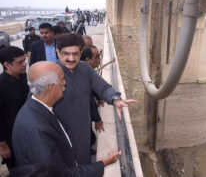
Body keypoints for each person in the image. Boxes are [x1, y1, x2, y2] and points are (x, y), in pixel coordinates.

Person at [12, 61, 121, 177]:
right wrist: (103, 163)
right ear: (52, 87)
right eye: (62, 79)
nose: (65, 83)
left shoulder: (37, 108)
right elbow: (59, 174)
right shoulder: (37, 130)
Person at [54, 33, 135, 164]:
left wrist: (115, 99)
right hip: (61, 138)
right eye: (66, 54)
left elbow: (103, 88)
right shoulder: (49, 73)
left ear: (81, 52)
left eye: (75, 54)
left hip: (84, 135)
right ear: (58, 52)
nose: (71, 58)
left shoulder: (85, 69)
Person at [0, 46, 29, 169]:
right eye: (20, 62)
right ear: (7, 64)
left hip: (28, 133)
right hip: (11, 139)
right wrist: (2, 145)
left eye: (25, 60)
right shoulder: (2, 85)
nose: (25, 64)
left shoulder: (23, 77)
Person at [80, 45, 104, 153]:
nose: (100, 59)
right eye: (97, 56)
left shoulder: (87, 72)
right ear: (87, 60)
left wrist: (99, 97)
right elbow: (89, 100)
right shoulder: (81, 74)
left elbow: (94, 87)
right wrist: (97, 119)